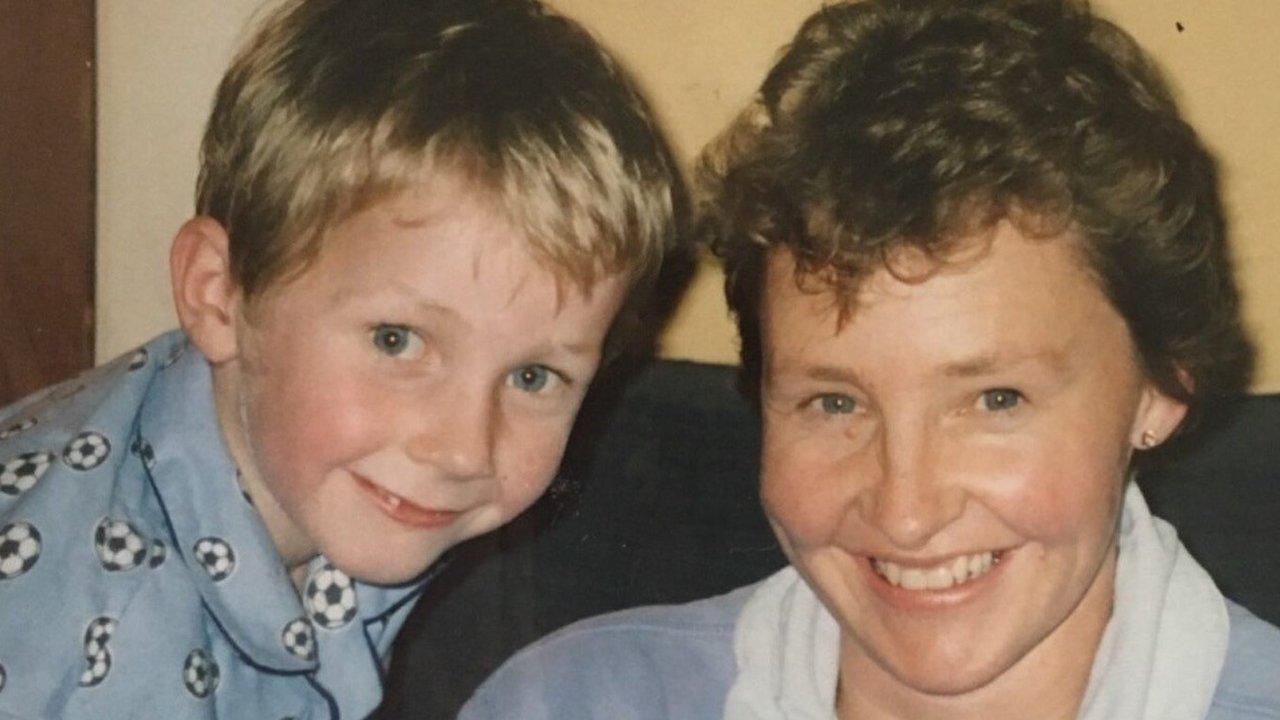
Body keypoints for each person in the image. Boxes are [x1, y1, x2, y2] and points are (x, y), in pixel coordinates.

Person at [459, 1, 1280, 718]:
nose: (907, 512)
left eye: (996, 400)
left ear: (1162, 387)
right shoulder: (573, 703)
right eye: (834, 403)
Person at [0, 0, 682, 716]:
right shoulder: (99, 656)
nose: (461, 448)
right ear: (218, 294)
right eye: (397, 340)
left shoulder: (318, 477)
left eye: (531, 376)